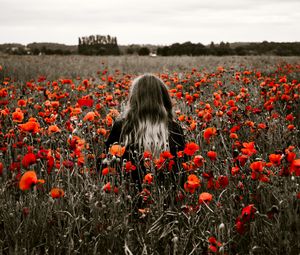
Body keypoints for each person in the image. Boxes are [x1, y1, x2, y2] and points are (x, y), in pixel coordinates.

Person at [104, 73, 186, 193]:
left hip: (128, 197)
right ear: (164, 99)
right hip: (168, 197)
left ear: (134, 99)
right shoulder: (174, 129)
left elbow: (105, 164)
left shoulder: (121, 126)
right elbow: (182, 170)